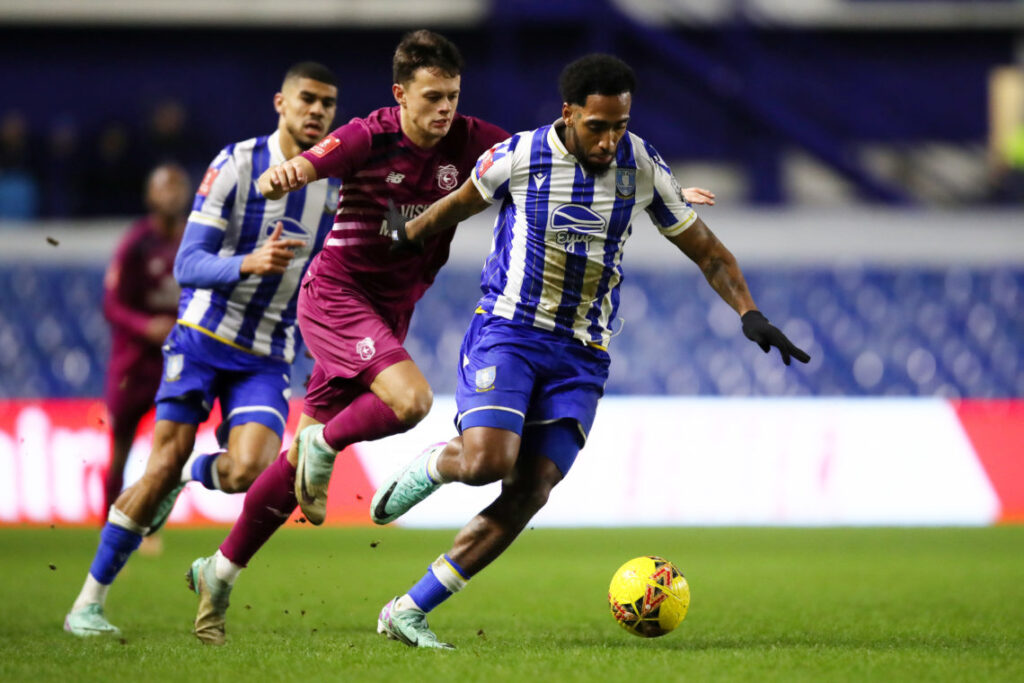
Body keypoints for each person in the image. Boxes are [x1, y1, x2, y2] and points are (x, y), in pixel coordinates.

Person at [183, 31, 715, 647]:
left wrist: (660, 191)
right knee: (408, 401)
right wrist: (288, 175)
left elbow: (555, 151)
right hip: (337, 296)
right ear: (399, 95)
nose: (443, 109)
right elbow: (315, 161)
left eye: (453, 97)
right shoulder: (368, 134)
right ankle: (327, 446)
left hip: (392, 312)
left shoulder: (475, 141)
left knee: (292, 467)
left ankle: (218, 572)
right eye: (431, 97)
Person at [369, 53, 810, 649]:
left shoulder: (642, 166)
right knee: (485, 464)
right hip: (510, 331)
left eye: (619, 125)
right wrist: (401, 231)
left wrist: (749, 313)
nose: (609, 140)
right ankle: (433, 465)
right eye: (597, 126)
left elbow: (708, 251)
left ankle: (409, 610)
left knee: (531, 490)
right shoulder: (520, 155)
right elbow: (459, 205)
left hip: (582, 354)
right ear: (569, 113)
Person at [63, 61, 340, 637]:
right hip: (203, 338)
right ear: (280, 104)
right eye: (307, 99)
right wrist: (248, 262)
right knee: (155, 464)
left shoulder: (330, 185)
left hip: (265, 353)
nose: (317, 111)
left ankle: (190, 473)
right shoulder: (235, 165)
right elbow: (189, 263)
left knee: (250, 472)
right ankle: (87, 605)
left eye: (328, 104)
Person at [101, 163, 190, 521]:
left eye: (177, 186)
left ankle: (149, 524)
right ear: (150, 195)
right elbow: (111, 304)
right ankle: (106, 521)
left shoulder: (195, 240)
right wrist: (146, 325)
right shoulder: (136, 243)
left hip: (176, 360)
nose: (171, 194)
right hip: (134, 363)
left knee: (170, 449)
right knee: (120, 450)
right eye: (163, 187)